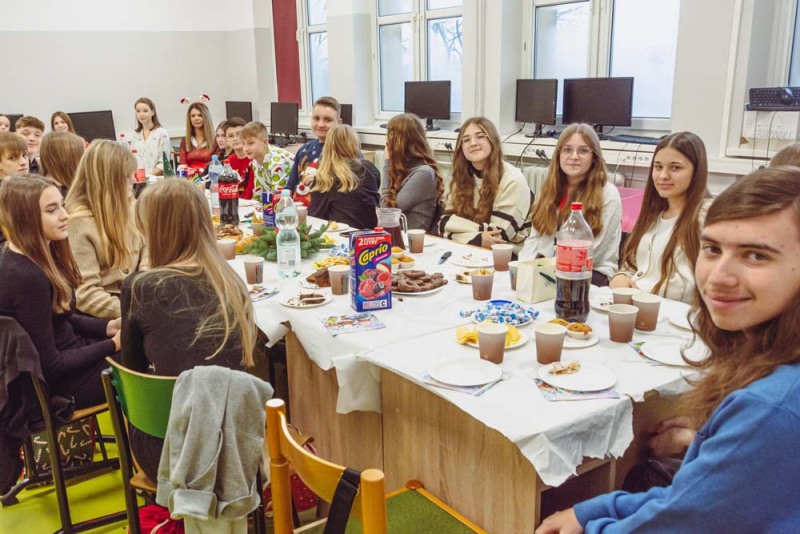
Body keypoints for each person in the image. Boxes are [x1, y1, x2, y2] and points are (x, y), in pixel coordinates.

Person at [536, 166, 800, 533]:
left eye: (756, 256)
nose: (718, 277)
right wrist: (592, 509)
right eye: (712, 249)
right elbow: (689, 500)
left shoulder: (769, 407)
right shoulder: (765, 365)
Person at [120, 178, 257, 481]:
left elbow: (134, 374)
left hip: (172, 453)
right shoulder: (231, 283)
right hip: (237, 448)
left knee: (135, 394)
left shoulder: (141, 287)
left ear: (155, 231)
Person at [0, 175, 121, 409]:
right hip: (60, 386)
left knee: (143, 340)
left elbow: (59, 318)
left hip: (71, 357)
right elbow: (52, 365)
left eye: (62, 206)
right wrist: (113, 344)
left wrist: (107, 327)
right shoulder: (26, 276)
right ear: (25, 218)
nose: (65, 215)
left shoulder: (30, 255)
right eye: (52, 210)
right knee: (147, 354)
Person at [609, 132, 711, 304]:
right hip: (639, 304)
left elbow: (691, 285)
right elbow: (632, 266)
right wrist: (620, 277)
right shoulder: (652, 216)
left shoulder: (706, 218)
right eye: (658, 167)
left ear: (696, 172)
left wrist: (638, 290)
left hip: (675, 312)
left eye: (675, 168)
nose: (663, 175)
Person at [520, 123, 622, 285]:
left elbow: (593, 252)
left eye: (583, 151)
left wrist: (545, 271)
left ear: (594, 158)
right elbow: (534, 239)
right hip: (547, 270)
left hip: (590, 273)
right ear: (559, 155)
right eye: (567, 150)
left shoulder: (608, 194)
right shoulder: (549, 189)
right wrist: (524, 269)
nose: (574, 156)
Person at [65, 140, 143, 319]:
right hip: (110, 309)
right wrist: (135, 313)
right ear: (109, 181)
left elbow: (147, 242)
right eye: (127, 177)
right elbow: (86, 295)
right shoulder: (78, 223)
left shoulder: (129, 204)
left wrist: (146, 268)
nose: (133, 181)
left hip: (136, 293)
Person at [438, 117, 533, 252]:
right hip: (468, 250)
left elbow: (499, 236)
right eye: (466, 140)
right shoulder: (459, 177)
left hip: (510, 256)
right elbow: (443, 224)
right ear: (461, 147)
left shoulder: (513, 179)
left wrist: (456, 229)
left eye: (480, 136)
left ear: (492, 140)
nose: (473, 143)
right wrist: (479, 238)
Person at [381, 113, 444, 232]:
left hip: (411, 241)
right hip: (397, 239)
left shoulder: (424, 173)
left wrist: (387, 163)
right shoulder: (402, 170)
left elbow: (387, 214)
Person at [308, 124, 379, 229]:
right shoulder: (369, 168)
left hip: (341, 234)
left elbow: (315, 218)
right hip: (371, 233)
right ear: (355, 145)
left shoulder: (325, 178)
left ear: (327, 147)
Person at [286, 96, 343, 193]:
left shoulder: (346, 151)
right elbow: (290, 186)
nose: (320, 124)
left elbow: (351, 188)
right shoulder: (304, 149)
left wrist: (320, 180)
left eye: (327, 120)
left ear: (339, 122)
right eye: (316, 118)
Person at [240, 121, 294, 197]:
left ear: (265, 142)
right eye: (243, 144)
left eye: (251, 143)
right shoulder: (255, 163)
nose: (246, 148)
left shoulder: (278, 162)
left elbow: (278, 196)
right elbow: (259, 193)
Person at [131, 97, 171, 176]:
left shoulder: (161, 133)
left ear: (152, 112)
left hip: (156, 179)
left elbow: (163, 163)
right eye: (138, 111)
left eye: (145, 111)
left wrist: (147, 177)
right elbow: (132, 160)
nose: (141, 114)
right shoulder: (135, 135)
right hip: (138, 179)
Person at [178, 101, 216, 172]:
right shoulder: (185, 141)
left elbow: (217, 164)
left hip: (208, 176)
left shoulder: (216, 141)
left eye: (200, 115)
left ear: (206, 117)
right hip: (189, 176)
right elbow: (182, 165)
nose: (196, 118)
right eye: (193, 116)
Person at [222, 117, 253, 198]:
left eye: (239, 134)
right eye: (231, 136)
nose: (235, 139)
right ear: (226, 139)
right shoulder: (228, 161)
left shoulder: (253, 159)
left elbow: (250, 190)